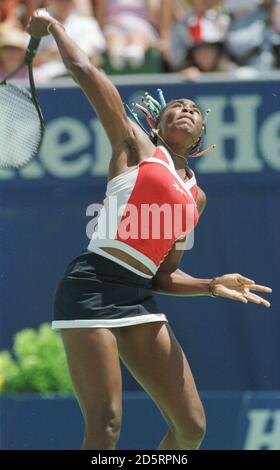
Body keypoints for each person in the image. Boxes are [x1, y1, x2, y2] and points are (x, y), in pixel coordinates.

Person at [27, 8, 272, 451]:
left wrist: (212, 285)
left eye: (195, 110)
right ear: (157, 124)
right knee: (106, 426)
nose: (186, 109)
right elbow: (85, 71)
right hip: (91, 285)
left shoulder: (196, 197)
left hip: (137, 293)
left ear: (200, 137)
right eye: (177, 105)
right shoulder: (135, 148)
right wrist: (54, 25)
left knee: (191, 428)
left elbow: (163, 275)